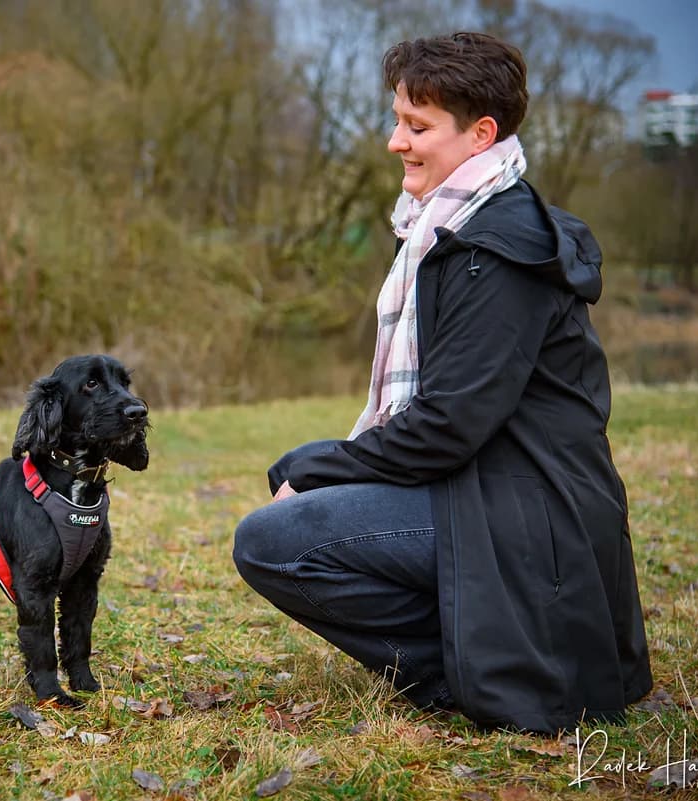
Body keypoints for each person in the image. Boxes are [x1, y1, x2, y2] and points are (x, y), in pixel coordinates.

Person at [232, 32, 651, 734]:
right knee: (291, 518)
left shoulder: (497, 251)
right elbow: (443, 423)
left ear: (481, 133)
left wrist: (315, 466)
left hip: (529, 518)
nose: (396, 141)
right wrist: (326, 467)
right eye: (398, 120)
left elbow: (447, 426)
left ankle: (471, 663)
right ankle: (475, 641)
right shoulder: (452, 230)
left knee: (272, 539)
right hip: (489, 495)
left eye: (417, 126)